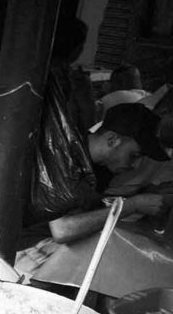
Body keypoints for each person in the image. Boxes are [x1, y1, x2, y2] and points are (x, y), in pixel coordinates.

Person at [36, 103, 168, 244]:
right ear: (112, 140)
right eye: (134, 156)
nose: (135, 166)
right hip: (27, 248)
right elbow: (62, 230)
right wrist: (132, 205)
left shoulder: (103, 169)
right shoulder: (63, 154)